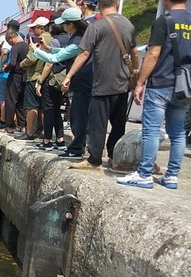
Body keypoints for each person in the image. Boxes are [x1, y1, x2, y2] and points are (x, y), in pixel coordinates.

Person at [117, 0, 191, 189]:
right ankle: (172, 176)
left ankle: (144, 173)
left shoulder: (164, 21)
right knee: (178, 132)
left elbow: (152, 54)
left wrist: (140, 82)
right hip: (184, 86)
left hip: (161, 83)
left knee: (151, 130)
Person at [63, 0, 139, 170]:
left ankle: (94, 159)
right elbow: (134, 53)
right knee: (118, 123)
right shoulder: (128, 24)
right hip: (122, 83)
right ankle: (115, 157)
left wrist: (69, 75)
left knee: (98, 124)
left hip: (102, 83)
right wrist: (135, 74)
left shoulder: (97, 26)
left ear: (99, 6)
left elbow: (84, 53)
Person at [33, 7, 91, 156]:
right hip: (82, 80)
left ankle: (77, 148)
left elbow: (54, 60)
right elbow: (65, 52)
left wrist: (36, 50)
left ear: (70, 24)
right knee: (75, 115)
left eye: (64, 23)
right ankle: (77, 147)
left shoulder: (78, 39)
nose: (62, 26)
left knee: (78, 117)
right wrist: (48, 48)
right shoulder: (80, 36)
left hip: (82, 82)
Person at [18, 16, 52, 140]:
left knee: (32, 106)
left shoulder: (39, 40)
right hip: (48, 79)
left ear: (41, 28)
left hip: (34, 77)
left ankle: (30, 133)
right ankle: (44, 133)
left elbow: (32, 58)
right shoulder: (53, 39)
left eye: (34, 28)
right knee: (45, 107)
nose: (33, 31)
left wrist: (22, 63)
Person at [2, 30, 29, 134]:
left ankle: (10, 125)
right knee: (21, 102)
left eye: (9, 42)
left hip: (15, 76)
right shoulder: (26, 46)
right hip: (25, 76)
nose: (10, 44)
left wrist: (6, 68)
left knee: (10, 100)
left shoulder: (15, 47)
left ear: (11, 39)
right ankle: (22, 125)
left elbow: (12, 62)